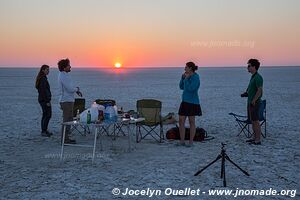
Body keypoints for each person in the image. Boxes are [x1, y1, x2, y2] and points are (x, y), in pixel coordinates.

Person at [58, 58, 82, 144]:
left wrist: (76, 90)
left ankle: (66, 138)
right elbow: (69, 88)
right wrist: (76, 89)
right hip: (66, 101)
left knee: (69, 119)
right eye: (68, 65)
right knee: (67, 121)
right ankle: (64, 140)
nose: (70, 67)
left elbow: (70, 88)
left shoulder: (65, 75)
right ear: (64, 67)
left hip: (69, 100)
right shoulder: (63, 76)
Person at [178, 62, 202, 147]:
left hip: (192, 102)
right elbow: (181, 87)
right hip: (184, 101)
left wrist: (187, 79)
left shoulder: (196, 77)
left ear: (191, 68)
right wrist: (183, 78)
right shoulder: (186, 76)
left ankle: (191, 142)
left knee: (191, 121)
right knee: (181, 121)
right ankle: (182, 141)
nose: (184, 69)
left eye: (186, 67)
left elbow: (191, 89)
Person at [241, 58, 263, 145]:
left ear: (254, 67)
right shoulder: (253, 77)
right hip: (250, 102)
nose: (247, 67)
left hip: (254, 103)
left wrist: (254, 100)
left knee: (256, 121)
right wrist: (246, 93)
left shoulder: (258, 77)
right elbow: (253, 90)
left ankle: (258, 140)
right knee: (253, 121)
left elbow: (259, 90)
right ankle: (254, 138)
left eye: (249, 66)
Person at [35, 65, 53, 137]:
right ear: (43, 70)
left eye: (48, 70)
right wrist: (47, 101)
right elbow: (43, 91)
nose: (48, 71)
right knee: (47, 115)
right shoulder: (43, 79)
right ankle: (44, 131)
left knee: (45, 115)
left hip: (42, 99)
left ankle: (44, 130)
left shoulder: (42, 78)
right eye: (47, 70)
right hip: (44, 100)